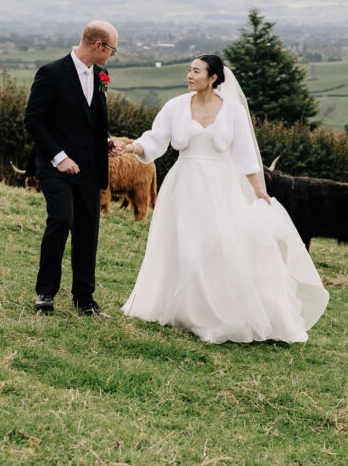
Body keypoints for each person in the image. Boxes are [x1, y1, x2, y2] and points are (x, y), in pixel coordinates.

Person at [120, 54, 329, 343]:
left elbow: (244, 155)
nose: (190, 75)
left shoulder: (232, 110)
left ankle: (212, 311)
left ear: (213, 78)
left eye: (196, 71)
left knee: (217, 243)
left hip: (220, 186)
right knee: (184, 244)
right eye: (189, 70)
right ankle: (180, 306)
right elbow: (154, 140)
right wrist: (128, 148)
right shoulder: (175, 106)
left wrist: (259, 192)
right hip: (184, 184)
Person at [24, 20, 122, 316]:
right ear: (98, 46)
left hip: (90, 168)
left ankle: (84, 299)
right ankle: (45, 293)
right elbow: (33, 119)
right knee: (61, 220)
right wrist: (59, 156)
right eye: (112, 50)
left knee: (87, 229)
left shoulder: (101, 74)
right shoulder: (51, 73)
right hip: (56, 167)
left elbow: (91, 119)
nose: (112, 55)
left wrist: (105, 140)